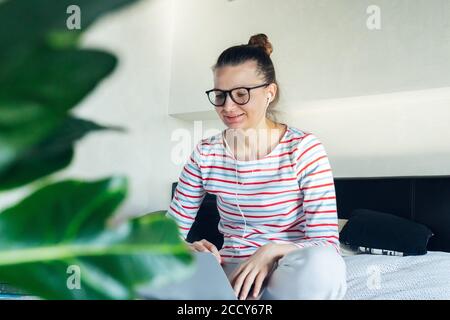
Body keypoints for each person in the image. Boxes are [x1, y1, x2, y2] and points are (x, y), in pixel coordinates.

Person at [166, 34, 347, 300]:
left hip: (284, 273)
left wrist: (271, 250)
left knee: (324, 266)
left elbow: (327, 243)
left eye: (241, 94)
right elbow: (167, 232)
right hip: (228, 274)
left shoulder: (303, 148)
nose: (228, 107)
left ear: (269, 93)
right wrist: (186, 248)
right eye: (220, 95)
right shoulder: (206, 153)